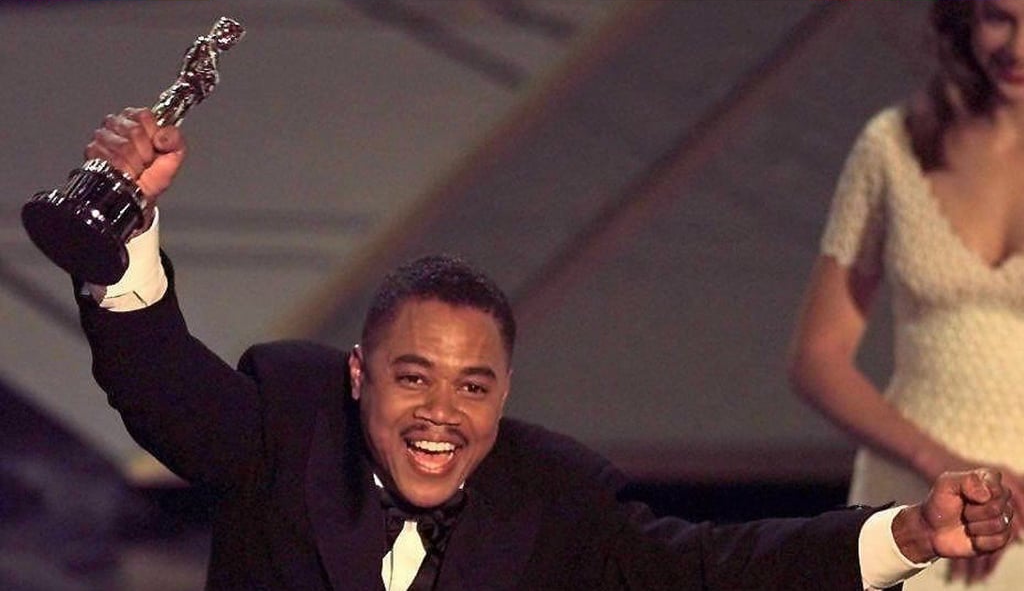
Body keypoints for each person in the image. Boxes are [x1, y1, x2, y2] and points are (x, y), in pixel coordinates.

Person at [70, 106, 1014, 591]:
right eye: (413, 377)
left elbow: (715, 572)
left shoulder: (553, 497)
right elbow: (161, 386)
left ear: (505, 392)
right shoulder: (286, 420)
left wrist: (915, 533)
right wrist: (127, 217)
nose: (443, 412)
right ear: (358, 375)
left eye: (473, 386)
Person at [788, 0, 1024, 590]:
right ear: (963, 17)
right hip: (910, 501)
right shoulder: (891, 146)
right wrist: (939, 465)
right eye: (1000, 17)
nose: (1017, 48)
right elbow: (818, 358)